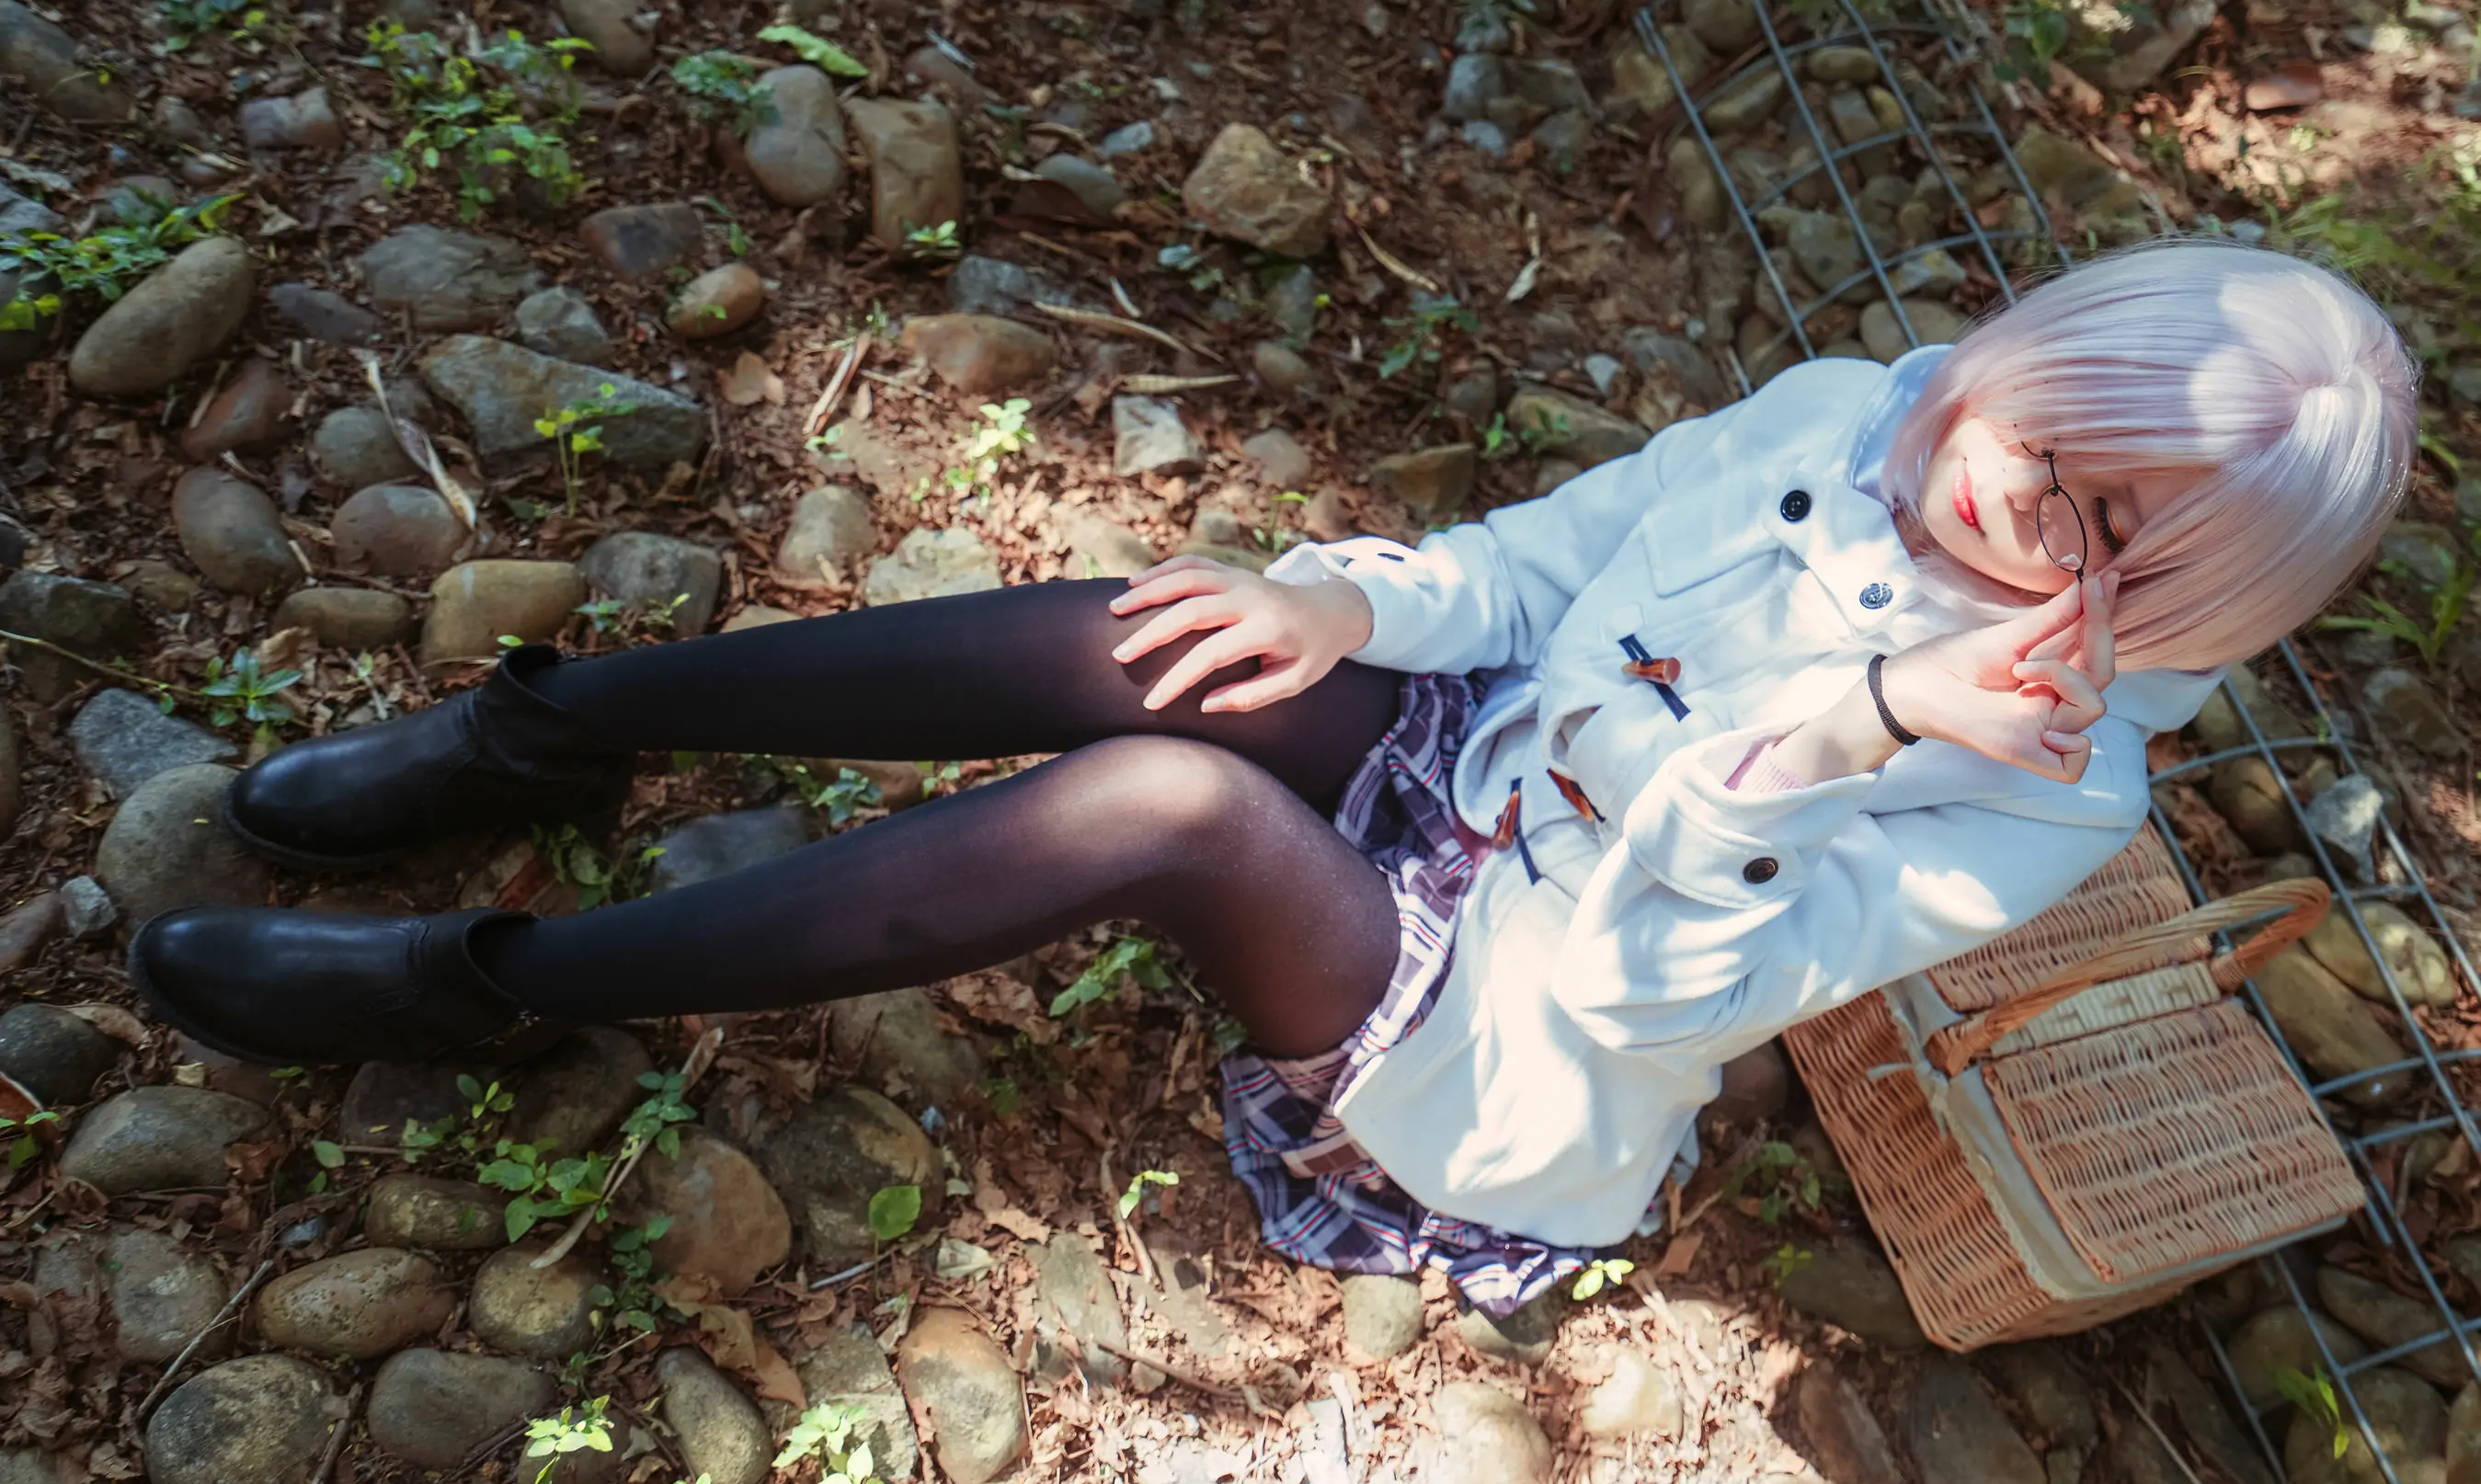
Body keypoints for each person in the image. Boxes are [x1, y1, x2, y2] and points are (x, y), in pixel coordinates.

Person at [128, 240, 2417, 1309]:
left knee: (1174, 806)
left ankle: (493, 985)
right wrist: (1335, 601)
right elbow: (1541, 569)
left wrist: (1858, 726)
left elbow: (1643, 996)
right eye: (2054, 437)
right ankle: (540, 725)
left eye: (2112, 536)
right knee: (1168, 637)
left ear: (2188, 603)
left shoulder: (2046, 790)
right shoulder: (1847, 414)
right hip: (1471, 762)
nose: (2025, 508)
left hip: (1502, 1026)